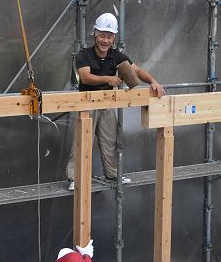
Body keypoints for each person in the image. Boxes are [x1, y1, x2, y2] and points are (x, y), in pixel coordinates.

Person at [67, 12, 165, 191]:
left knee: (109, 140)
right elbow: (85, 77)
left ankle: (112, 174)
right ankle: (75, 178)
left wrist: (154, 82)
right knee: (83, 141)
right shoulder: (84, 54)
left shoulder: (117, 56)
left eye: (109, 36)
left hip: (107, 105)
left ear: (114, 38)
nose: (105, 40)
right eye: (102, 35)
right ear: (95, 34)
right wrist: (108, 79)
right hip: (87, 104)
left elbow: (137, 71)